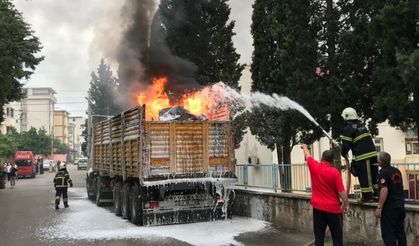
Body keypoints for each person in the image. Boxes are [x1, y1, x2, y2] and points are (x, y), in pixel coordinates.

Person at [301, 144, 349, 246]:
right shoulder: (335, 172)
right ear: (332, 160)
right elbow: (341, 192)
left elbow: (308, 156)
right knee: (337, 237)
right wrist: (347, 203)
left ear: (322, 158)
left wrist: (305, 147)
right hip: (333, 210)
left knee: (319, 237)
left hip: (318, 209)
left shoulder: (314, 166)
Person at [340, 107, 378, 203]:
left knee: (365, 176)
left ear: (346, 117)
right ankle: (377, 194)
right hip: (373, 154)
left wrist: (343, 153)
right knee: (374, 175)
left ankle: (367, 197)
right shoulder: (361, 126)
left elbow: (346, 145)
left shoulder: (348, 129)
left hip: (363, 156)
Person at [374, 151, 407, 246]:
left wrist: (379, 207)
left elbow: (384, 190)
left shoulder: (383, 173)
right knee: (400, 233)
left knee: (389, 235)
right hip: (400, 206)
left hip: (389, 209)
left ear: (380, 162)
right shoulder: (397, 171)